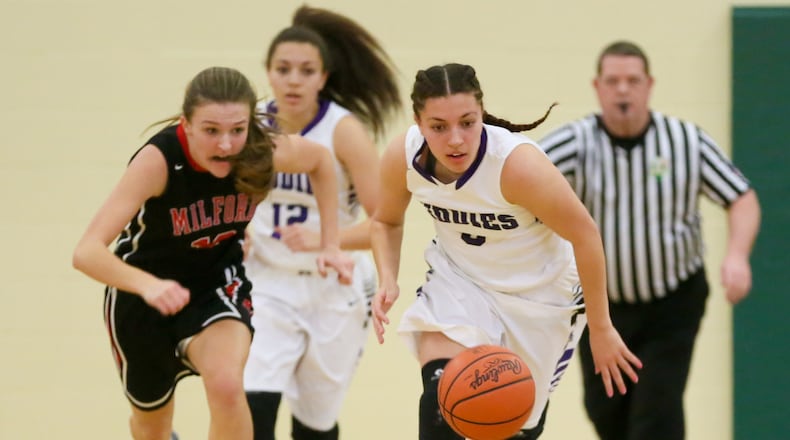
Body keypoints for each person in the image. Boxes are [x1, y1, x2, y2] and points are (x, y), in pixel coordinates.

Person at [72, 66, 354, 440]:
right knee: (151, 426)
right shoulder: (158, 161)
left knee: (226, 385)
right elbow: (86, 252)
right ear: (186, 124)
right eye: (211, 131)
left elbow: (319, 161)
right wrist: (148, 285)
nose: (225, 144)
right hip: (141, 296)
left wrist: (329, 243)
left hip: (215, 284)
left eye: (237, 129)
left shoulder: (259, 150)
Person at [370, 62, 642, 440]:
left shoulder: (517, 167)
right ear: (418, 122)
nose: (455, 140)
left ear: (482, 112)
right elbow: (386, 221)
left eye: (468, 122)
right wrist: (387, 278)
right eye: (438, 127)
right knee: (441, 399)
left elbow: (586, 235)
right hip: (461, 281)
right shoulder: (404, 156)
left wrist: (601, 327)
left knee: (509, 426)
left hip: (541, 297)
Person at [538, 40, 761, 440]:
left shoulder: (686, 141)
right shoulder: (576, 142)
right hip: (603, 307)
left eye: (632, 81)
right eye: (613, 81)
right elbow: (521, 175)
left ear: (649, 85)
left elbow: (741, 197)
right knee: (606, 412)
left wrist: (738, 256)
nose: (623, 90)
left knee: (656, 411)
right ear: (598, 87)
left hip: (672, 304)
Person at [242, 5, 402, 440]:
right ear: (268, 73)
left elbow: (383, 225)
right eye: (284, 69)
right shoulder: (250, 124)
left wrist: (322, 239)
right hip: (267, 283)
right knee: (252, 404)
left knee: (314, 425)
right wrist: (234, 234)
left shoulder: (344, 131)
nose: (294, 79)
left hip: (334, 286)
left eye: (306, 70)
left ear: (323, 77)